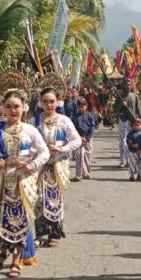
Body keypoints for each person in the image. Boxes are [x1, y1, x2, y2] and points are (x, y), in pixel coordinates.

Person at [0, 73, 50, 279]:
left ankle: (17, 259)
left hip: (23, 181)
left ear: (24, 107)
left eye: (16, 106)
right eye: (9, 106)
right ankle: (3, 250)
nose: (13, 110)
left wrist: (31, 165)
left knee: (21, 219)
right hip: (2, 181)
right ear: (3, 108)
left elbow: (44, 151)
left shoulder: (30, 130)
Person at [32, 78, 82, 248]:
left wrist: (61, 149)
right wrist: (38, 152)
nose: (49, 105)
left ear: (58, 101)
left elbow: (77, 141)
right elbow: (28, 143)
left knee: (55, 197)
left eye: (52, 101)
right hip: (40, 165)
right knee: (38, 198)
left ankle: (54, 233)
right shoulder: (34, 122)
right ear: (40, 102)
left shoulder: (64, 120)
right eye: (45, 101)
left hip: (59, 164)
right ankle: (39, 234)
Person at [117, 81, 141, 168]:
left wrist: (140, 120)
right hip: (123, 120)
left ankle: (129, 160)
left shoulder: (135, 96)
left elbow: (139, 109)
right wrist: (121, 104)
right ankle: (122, 161)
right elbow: (114, 108)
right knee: (122, 141)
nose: (127, 86)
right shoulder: (120, 95)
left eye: (129, 84)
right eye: (125, 84)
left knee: (131, 141)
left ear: (131, 85)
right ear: (123, 85)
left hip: (133, 121)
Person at [71, 98, 97, 181]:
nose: (81, 108)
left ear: (86, 106)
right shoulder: (74, 117)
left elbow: (92, 127)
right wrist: (79, 138)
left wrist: (87, 138)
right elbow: (73, 129)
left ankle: (86, 173)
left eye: (83, 106)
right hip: (78, 139)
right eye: (79, 107)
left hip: (88, 138)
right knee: (79, 156)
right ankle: (78, 174)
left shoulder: (89, 115)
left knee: (87, 156)